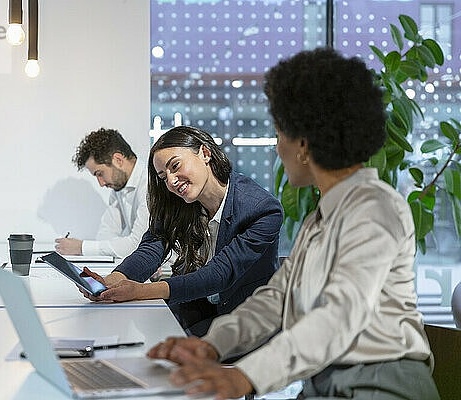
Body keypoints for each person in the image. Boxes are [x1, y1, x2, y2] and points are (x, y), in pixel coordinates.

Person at [148, 48, 440, 400]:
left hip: (380, 385)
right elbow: (274, 299)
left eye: (279, 134)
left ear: (304, 144)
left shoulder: (374, 208)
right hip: (327, 382)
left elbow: (338, 316)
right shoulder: (322, 219)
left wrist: (245, 376)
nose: (276, 146)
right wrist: (211, 346)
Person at [81, 126, 283, 336]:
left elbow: (219, 274)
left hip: (246, 320)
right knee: (135, 334)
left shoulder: (261, 208)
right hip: (200, 308)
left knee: (158, 350)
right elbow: (152, 247)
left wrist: (140, 291)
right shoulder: (182, 201)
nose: (171, 181)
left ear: (205, 154)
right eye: (163, 176)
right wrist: (113, 280)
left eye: (175, 166)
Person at [54, 128, 148, 258]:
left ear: (118, 160)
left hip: (170, 272)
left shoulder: (149, 185)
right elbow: (105, 235)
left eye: (100, 174)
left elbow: (138, 245)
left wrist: (81, 247)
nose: (101, 183)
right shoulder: (119, 189)